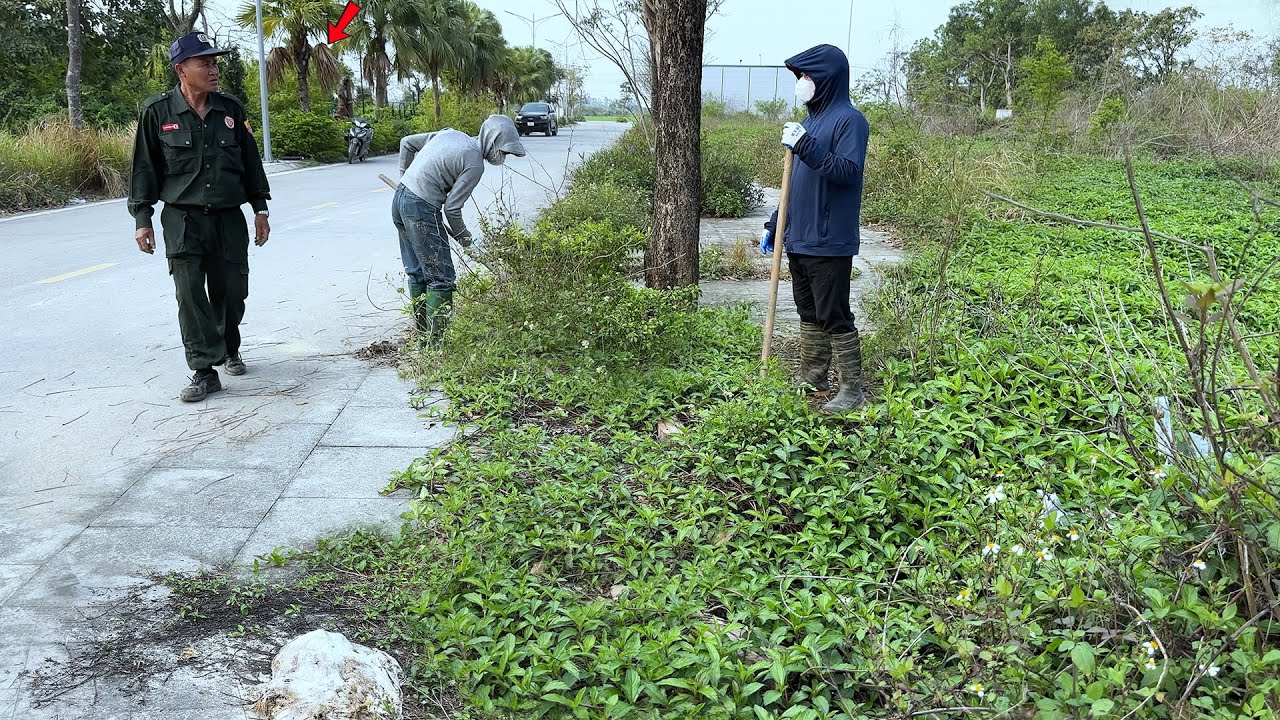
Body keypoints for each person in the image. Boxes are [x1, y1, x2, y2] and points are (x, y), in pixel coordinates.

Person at [128, 31, 272, 402]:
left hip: (228, 218)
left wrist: (260, 208)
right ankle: (205, 370)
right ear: (181, 69)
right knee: (190, 295)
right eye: (204, 62)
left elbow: (250, 161)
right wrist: (142, 218)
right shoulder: (157, 112)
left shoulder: (230, 109)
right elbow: (144, 168)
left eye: (215, 61)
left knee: (232, 292)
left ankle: (228, 346)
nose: (214, 68)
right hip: (183, 219)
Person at [760, 44, 870, 413]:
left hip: (829, 240)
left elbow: (847, 171)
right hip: (800, 238)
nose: (802, 83)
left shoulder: (849, 120)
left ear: (826, 79)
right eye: (800, 77)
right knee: (808, 311)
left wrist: (805, 145)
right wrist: (777, 224)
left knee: (833, 313)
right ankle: (814, 375)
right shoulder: (808, 123)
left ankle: (852, 390)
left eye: (807, 76)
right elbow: (796, 183)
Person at [394, 115, 526, 337]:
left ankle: (423, 340)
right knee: (441, 279)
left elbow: (407, 142)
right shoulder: (474, 162)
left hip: (400, 199)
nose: (503, 157)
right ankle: (437, 346)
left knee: (417, 273)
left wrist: (404, 179)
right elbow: (452, 209)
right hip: (420, 207)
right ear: (491, 140)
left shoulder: (450, 133)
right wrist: (467, 242)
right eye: (503, 152)